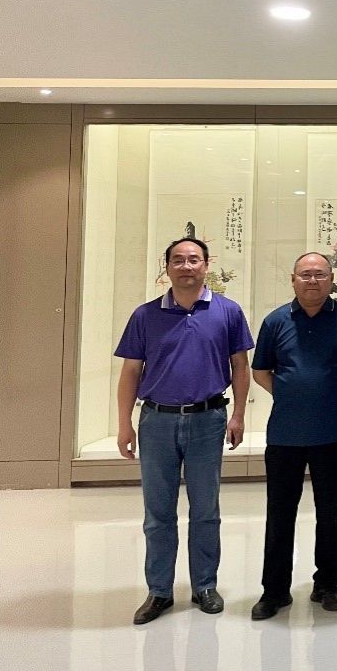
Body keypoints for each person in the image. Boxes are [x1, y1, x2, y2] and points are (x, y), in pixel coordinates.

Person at [115, 237, 253, 625]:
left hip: (208, 420)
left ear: (206, 265)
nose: (186, 266)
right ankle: (159, 590)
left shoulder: (228, 312)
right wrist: (124, 424)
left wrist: (239, 416)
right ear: (167, 268)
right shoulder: (145, 315)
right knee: (158, 513)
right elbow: (130, 372)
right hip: (157, 421)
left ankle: (204, 585)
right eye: (178, 260)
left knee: (206, 509)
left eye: (194, 259)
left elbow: (240, 367)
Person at [249, 252, 337, 620]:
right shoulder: (275, 321)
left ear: (331, 279)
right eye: (305, 274)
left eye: (319, 274)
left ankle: (327, 584)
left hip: (333, 432)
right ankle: (274, 591)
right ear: (293, 279)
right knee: (279, 514)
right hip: (285, 434)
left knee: (330, 514)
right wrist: (289, 395)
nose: (312, 280)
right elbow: (260, 371)